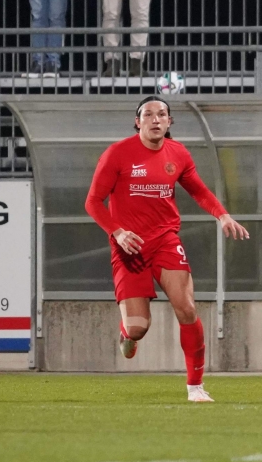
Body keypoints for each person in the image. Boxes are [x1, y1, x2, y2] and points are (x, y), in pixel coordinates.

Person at [84, 96, 248, 403]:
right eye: (148, 114)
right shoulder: (117, 154)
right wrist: (117, 232)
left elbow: (199, 190)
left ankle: (195, 387)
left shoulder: (178, 153)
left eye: (161, 114)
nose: (155, 119)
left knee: (187, 308)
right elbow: (93, 202)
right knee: (138, 328)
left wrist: (223, 215)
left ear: (169, 121)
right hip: (129, 246)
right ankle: (127, 332)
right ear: (138, 122)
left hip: (165, 240)